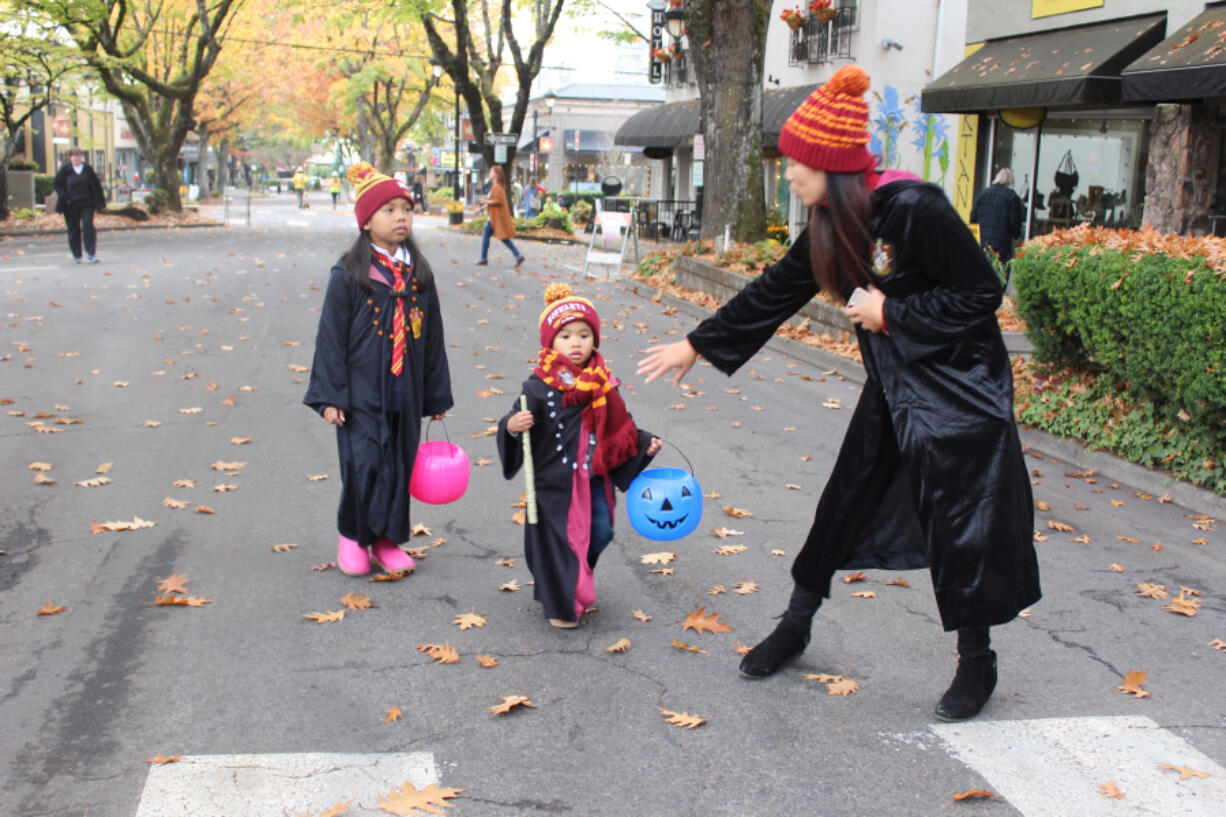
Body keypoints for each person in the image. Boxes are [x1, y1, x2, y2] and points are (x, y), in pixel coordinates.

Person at [636, 65, 1039, 722]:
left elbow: (981, 293)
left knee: (960, 525)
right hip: (896, 388)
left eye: (798, 162)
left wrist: (895, 315)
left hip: (962, 392)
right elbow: (774, 290)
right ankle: (795, 625)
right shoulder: (829, 223)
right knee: (840, 505)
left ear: (833, 166)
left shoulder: (915, 209)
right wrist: (699, 343)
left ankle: (977, 660)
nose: (788, 173)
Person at [304, 162, 454, 577]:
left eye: (405, 208)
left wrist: (435, 394)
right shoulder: (350, 272)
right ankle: (353, 537)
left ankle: (386, 541)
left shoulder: (418, 273)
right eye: (388, 210)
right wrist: (330, 396)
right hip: (360, 391)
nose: (401, 216)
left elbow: (434, 337)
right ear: (366, 221)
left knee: (399, 463)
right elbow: (330, 337)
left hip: (405, 389)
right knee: (365, 462)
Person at [497, 283, 661, 628]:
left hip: (594, 479)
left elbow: (618, 425)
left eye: (584, 334)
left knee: (600, 533)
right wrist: (513, 425)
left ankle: (573, 574)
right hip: (558, 484)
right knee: (564, 543)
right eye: (566, 335)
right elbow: (514, 423)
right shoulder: (538, 386)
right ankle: (562, 598)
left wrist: (643, 441)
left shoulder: (603, 383)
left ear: (594, 340)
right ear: (551, 342)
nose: (576, 342)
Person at [53, 147, 107, 263]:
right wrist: (64, 197)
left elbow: (96, 186)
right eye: (74, 156)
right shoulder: (65, 170)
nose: (77, 158)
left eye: (79, 156)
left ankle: (91, 253)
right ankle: (77, 254)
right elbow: (57, 184)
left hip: (87, 203)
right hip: (71, 204)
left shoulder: (88, 169)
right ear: (70, 157)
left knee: (88, 226)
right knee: (73, 229)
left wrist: (101, 202)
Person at [970, 168, 1025, 273]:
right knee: (1000, 275)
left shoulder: (983, 194)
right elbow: (1014, 222)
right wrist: (1016, 236)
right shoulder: (1012, 197)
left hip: (982, 243)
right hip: (1001, 245)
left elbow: (973, 217)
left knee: (982, 274)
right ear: (1011, 182)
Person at [477, 165, 525, 267]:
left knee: (490, 236)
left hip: (495, 218)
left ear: (496, 174)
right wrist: (483, 207)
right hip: (494, 217)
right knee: (503, 238)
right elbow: (494, 201)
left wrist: (485, 201)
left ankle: (484, 258)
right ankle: (518, 255)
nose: (490, 173)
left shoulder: (497, 187)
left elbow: (498, 201)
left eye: (491, 171)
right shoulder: (496, 186)